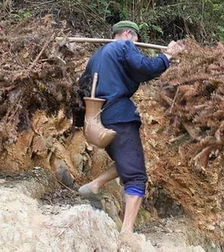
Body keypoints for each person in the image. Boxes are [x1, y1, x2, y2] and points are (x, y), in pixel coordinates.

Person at [76, 20, 184, 236]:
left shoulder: (97, 56)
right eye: (136, 39)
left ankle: (95, 184)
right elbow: (145, 68)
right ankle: (126, 234)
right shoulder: (124, 46)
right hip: (119, 117)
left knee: (127, 161)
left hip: (97, 121)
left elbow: (82, 87)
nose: (136, 44)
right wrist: (168, 56)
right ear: (127, 34)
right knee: (136, 176)